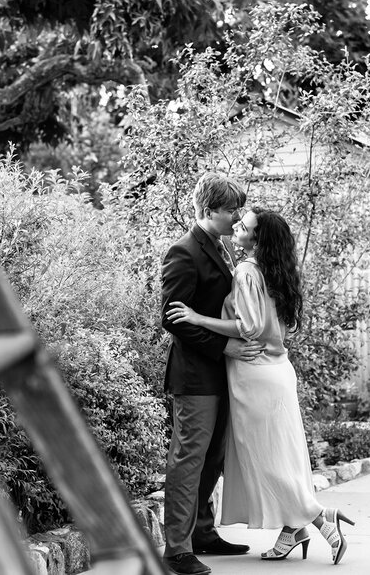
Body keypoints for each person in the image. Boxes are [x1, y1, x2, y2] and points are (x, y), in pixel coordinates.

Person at [166, 207, 356, 565]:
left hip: (254, 373)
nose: (237, 226)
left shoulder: (247, 270)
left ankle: (320, 518)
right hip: (278, 370)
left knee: (266, 460)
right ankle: (295, 529)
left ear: (257, 239)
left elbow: (248, 327)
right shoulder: (277, 272)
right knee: (282, 458)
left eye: (244, 226)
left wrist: (196, 317)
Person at [160, 173, 265, 575]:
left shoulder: (222, 249)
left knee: (214, 458)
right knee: (189, 459)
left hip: (224, 375)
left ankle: (203, 532)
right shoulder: (183, 252)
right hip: (195, 377)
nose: (237, 216)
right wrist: (225, 346)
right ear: (209, 210)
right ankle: (176, 550)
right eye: (231, 209)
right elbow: (174, 319)